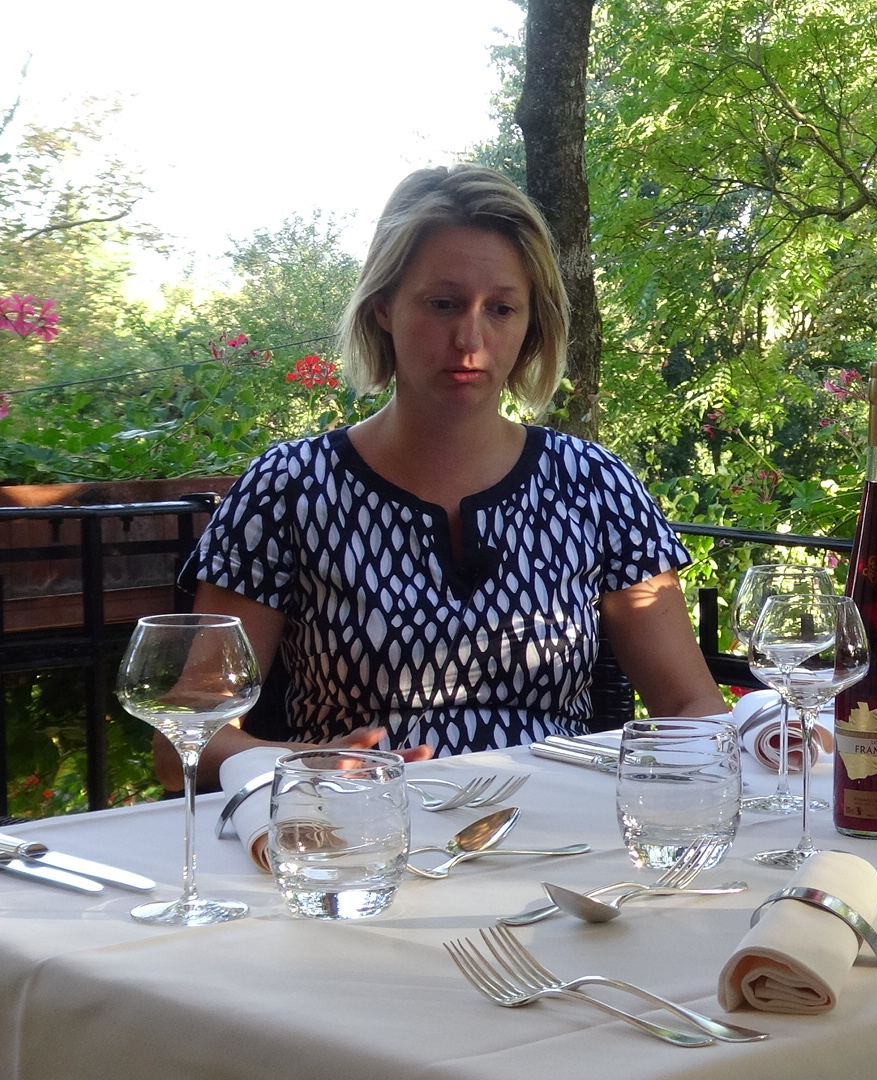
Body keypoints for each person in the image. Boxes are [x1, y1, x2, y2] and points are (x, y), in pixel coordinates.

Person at [156, 164, 727, 787]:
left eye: (501, 308)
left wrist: (764, 736)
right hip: (357, 838)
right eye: (443, 303)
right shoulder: (290, 488)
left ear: (530, 325)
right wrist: (297, 766)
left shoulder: (594, 485)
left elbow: (689, 706)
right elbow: (183, 740)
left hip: (557, 842)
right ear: (383, 308)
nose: (469, 337)